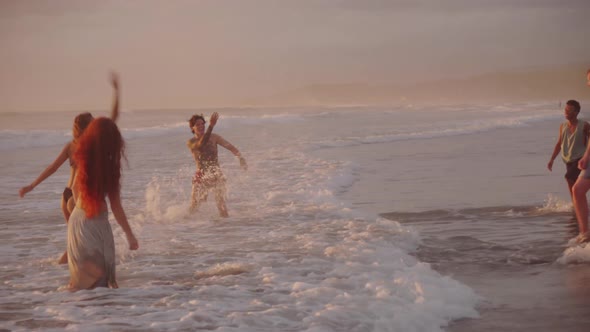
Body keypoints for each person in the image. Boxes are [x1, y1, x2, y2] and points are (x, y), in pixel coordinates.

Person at [19, 72, 120, 264]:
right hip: (79, 197)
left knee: (75, 242)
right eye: (93, 122)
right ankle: (79, 278)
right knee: (81, 243)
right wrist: (117, 91)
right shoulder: (93, 143)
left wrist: (31, 186)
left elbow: (52, 168)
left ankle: (60, 274)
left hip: (66, 196)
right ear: (88, 127)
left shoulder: (71, 145)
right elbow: (113, 119)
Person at [67, 117, 138, 290]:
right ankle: (102, 315)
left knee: (81, 283)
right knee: (100, 283)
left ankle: (70, 313)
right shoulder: (110, 166)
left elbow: (75, 190)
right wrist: (130, 234)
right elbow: (116, 207)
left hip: (77, 222)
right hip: (96, 225)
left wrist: (83, 209)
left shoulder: (84, 160)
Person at [187, 112, 247, 217]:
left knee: (222, 207)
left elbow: (231, 147)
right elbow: (201, 145)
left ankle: (225, 230)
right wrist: (211, 126)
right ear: (192, 127)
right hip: (201, 176)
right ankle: (184, 228)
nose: (201, 127)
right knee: (194, 206)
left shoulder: (214, 137)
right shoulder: (191, 142)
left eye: (202, 124)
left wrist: (240, 158)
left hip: (216, 175)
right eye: (198, 125)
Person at [547, 100, 590, 203]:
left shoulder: (584, 125)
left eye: (569, 110)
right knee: (575, 183)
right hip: (568, 160)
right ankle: (579, 203)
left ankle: (576, 203)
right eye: (565, 109)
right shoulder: (563, 126)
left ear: (576, 112)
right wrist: (552, 159)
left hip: (580, 159)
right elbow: (559, 144)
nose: (565, 112)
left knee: (569, 177)